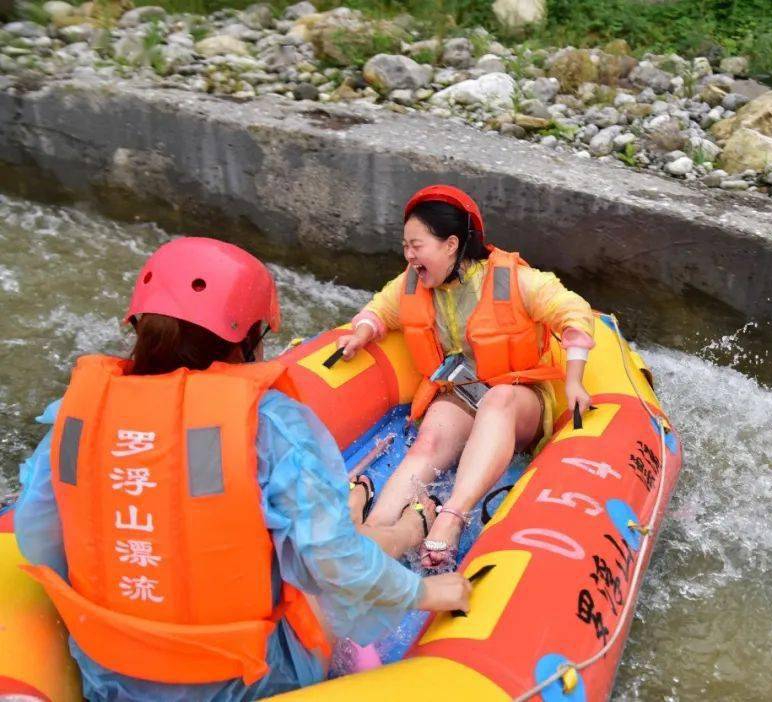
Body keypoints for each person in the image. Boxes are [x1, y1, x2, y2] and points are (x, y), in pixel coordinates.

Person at [14, 237, 471, 701]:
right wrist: (428, 594)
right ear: (249, 337)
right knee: (326, 561)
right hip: (246, 679)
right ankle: (405, 525)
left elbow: (38, 538)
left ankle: (372, 509)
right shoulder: (268, 424)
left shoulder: (74, 418)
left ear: (138, 324)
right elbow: (336, 566)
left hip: (107, 673)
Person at [337, 185, 595, 569]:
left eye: (416, 245)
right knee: (430, 438)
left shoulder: (515, 281)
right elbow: (380, 311)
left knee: (498, 400)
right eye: (405, 245)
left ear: (451, 244)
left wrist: (574, 380)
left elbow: (574, 312)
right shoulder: (412, 282)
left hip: (517, 396)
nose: (408, 255)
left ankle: (452, 517)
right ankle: (374, 530)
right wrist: (362, 331)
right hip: (462, 393)